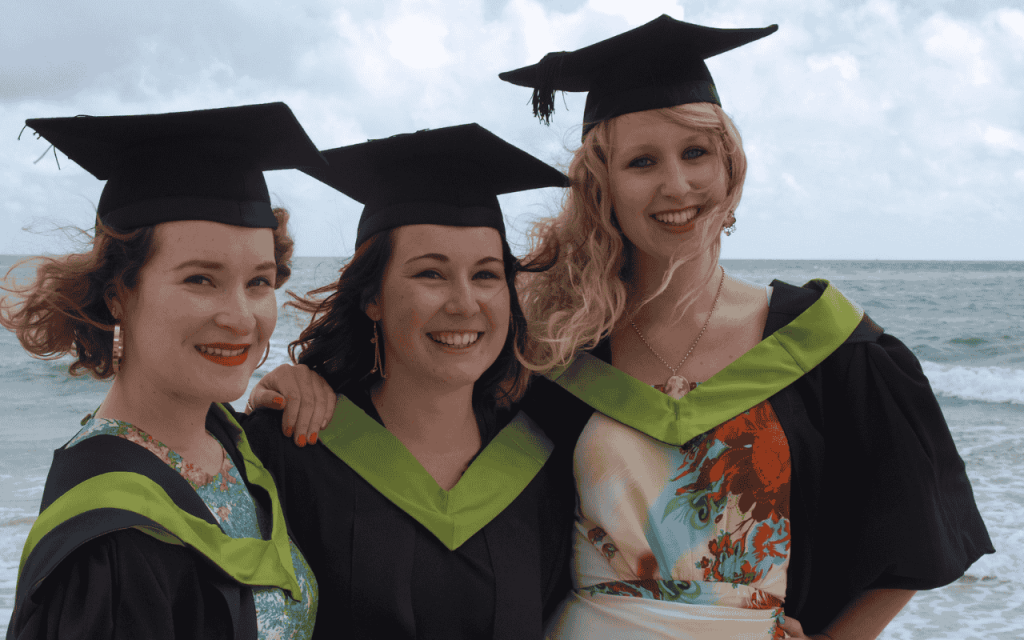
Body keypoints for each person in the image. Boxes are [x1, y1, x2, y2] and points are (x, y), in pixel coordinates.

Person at [496, 15, 994, 639]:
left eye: (695, 153)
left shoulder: (824, 342)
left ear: (730, 167)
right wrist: (327, 390)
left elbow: (915, 529)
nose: (676, 185)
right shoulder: (558, 342)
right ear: (604, 187)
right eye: (642, 161)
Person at [2, 103, 326, 639]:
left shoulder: (231, 441)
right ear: (117, 295)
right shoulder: (108, 542)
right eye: (200, 279)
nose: (241, 318)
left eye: (259, 282)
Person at [241, 124, 577, 639]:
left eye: (487, 275)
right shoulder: (292, 450)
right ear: (372, 297)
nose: (465, 304)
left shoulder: (544, 468)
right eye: (431, 274)